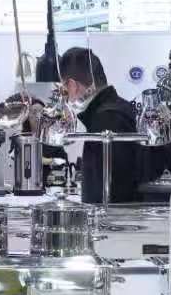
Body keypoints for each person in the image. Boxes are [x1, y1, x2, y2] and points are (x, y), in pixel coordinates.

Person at [58, 46, 144, 203]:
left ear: (72, 85)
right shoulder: (116, 110)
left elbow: (116, 188)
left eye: (64, 91)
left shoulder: (107, 119)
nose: (66, 97)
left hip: (114, 216)